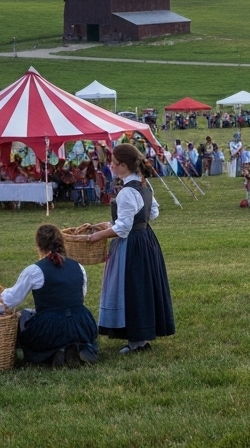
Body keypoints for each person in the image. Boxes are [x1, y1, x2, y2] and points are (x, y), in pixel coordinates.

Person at [84, 143, 175, 353]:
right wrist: (114, 225)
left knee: (131, 289)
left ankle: (136, 342)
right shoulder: (144, 185)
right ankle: (141, 339)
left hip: (131, 245)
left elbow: (124, 228)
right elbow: (152, 213)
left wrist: (97, 235)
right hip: (146, 240)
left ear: (124, 165)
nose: (111, 167)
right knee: (142, 288)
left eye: (114, 163)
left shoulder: (126, 192)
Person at [0, 224, 99, 367]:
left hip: (51, 328)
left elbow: (11, 301)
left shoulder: (34, 271)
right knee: (64, 321)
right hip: (82, 323)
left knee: (23, 318)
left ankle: (56, 352)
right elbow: (80, 296)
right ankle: (77, 346)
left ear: (39, 246)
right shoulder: (78, 267)